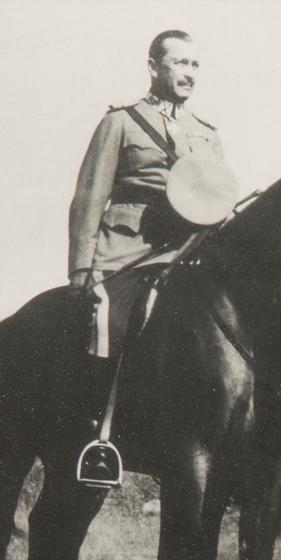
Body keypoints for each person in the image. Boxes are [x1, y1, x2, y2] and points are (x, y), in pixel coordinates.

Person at [68, 29, 227, 358]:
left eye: (195, 65)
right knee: (109, 323)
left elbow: (218, 199)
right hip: (127, 251)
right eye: (180, 62)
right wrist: (81, 268)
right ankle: (98, 408)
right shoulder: (121, 121)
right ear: (154, 67)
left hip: (188, 250)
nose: (190, 73)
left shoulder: (206, 133)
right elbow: (89, 196)